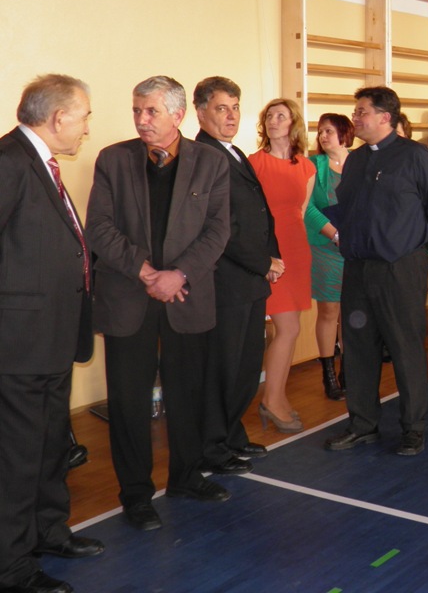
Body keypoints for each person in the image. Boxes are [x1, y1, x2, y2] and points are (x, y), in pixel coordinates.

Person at [87, 75, 231, 532]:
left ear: (178, 114)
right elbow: (99, 227)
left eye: (151, 111)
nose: (141, 119)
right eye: (137, 110)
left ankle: (186, 477)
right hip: (129, 294)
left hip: (186, 294)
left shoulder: (211, 162)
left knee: (188, 393)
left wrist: (178, 274)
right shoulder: (113, 159)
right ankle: (135, 494)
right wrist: (148, 273)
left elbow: (218, 230)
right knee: (128, 401)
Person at [1, 75, 102, 593]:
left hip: (52, 339)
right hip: (18, 344)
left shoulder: (41, 163)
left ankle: (49, 532)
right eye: (84, 117)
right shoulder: (8, 162)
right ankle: (11, 567)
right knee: (17, 459)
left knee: (49, 446)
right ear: (58, 117)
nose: (86, 128)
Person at [324, 87, 428, 456]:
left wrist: (406, 244)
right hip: (358, 269)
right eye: (356, 111)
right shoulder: (356, 160)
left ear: (385, 117)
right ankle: (363, 424)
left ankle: (413, 428)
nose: (356, 118)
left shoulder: (415, 156)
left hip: (399, 269)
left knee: (405, 347)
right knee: (358, 349)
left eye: (362, 111)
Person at [193, 77, 283, 477]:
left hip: (249, 281)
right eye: (221, 109)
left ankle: (231, 434)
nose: (231, 116)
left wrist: (273, 254)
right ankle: (212, 447)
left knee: (245, 367)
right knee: (223, 369)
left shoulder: (233, 152)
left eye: (235, 108)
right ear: (200, 113)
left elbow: (259, 212)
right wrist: (263, 262)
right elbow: (221, 227)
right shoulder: (202, 156)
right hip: (225, 281)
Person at [249, 98, 315, 433]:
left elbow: (300, 211)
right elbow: (249, 216)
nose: (273, 121)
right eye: (269, 116)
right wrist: (263, 258)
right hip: (271, 253)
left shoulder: (307, 167)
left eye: (280, 116)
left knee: (292, 329)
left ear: (293, 123)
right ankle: (271, 401)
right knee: (286, 329)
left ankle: (278, 396)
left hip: (297, 250)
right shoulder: (253, 163)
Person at [304, 113, 353, 400]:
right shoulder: (313, 164)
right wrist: (334, 234)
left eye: (329, 131)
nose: (323, 136)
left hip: (356, 249)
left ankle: (348, 371)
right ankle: (329, 375)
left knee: (351, 311)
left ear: (344, 134)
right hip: (325, 247)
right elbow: (307, 207)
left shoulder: (359, 163)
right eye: (320, 131)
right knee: (329, 311)